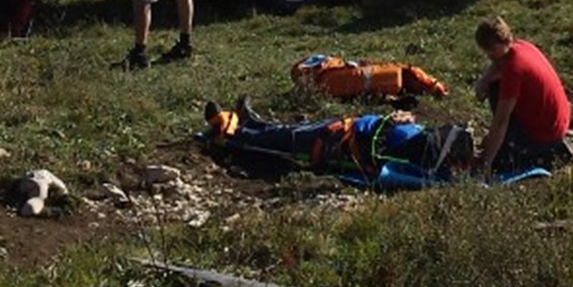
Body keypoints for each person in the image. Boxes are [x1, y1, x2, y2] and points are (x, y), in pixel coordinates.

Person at [202, 96, 474, 186]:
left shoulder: (417, 155)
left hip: (337, 140)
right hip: (346, 127)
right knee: (289, 131)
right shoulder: (423, 146)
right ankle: (251, 121)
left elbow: (378, 154)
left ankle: (227, 132)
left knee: (287, 139)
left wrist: (390, 122)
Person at [472, 14, 573, 174]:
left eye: (491, 51)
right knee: (494, 82)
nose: (489, 56)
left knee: (496, 89)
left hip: (545, 135)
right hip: (557, 123)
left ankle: (515, 149)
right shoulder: (522, 46)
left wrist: (486, 163)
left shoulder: (514, 70)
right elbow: (498, 63)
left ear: (501, 43)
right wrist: (484, 79)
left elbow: (501, 121)